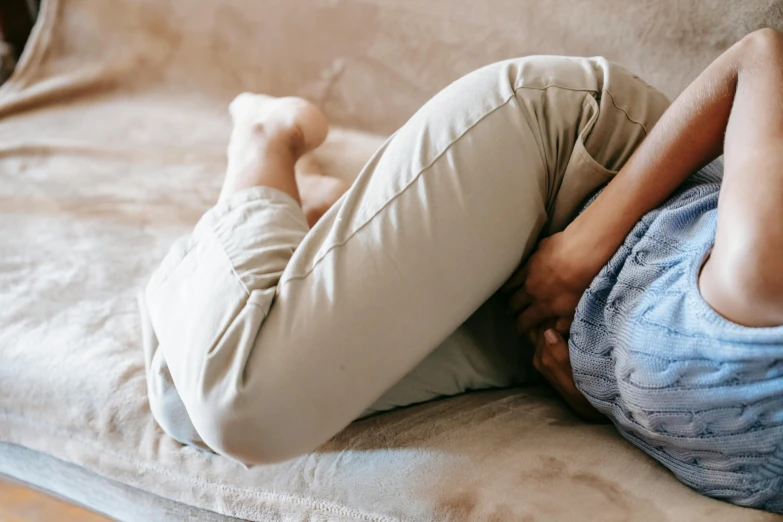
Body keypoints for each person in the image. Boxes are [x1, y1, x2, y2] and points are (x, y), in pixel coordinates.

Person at [139, 28, 783, 511]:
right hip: (575, 173)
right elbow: (762, 57)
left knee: (183, 398)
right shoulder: (765, 278)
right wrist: (583, 245)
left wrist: (595, 399)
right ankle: (262, 137)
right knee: (241, 400)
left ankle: (318, 216)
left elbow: (707, 417)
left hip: (551, 322)